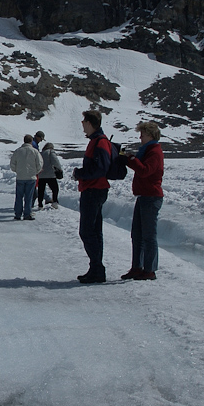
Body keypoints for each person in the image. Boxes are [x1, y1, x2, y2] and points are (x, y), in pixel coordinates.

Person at [72, 110, 113, 283]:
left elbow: (100, 168)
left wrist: (80, 174)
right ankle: (96, 268)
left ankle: (97, 268)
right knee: (94, 231)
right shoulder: (97, 141)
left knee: (87, 231)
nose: (82, 124)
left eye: (84, 121)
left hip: (93, 191)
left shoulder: (100, 142)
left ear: (89, 123)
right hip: (95, 190)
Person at [121, 121, 165, 281]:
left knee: (148, 235)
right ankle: (137, 267)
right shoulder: (147, 151)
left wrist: (131, 159)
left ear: (151, 135)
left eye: (143, 134)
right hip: (144, 196)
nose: (140, 137)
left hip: (151, 197)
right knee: (137, 234)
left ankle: (150, 270)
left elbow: (145, 170)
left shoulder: (155, 152)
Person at [10, 135, 44, 220]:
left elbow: (12, 164)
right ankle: (27, 214)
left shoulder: (18, 151)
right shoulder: (35, 151)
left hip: (20, 177)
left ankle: (18, 214)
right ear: (31, 141)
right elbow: (40, 163)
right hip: (31, 177)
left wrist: (17, 171)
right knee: (29, 197)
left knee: (19, 197)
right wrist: (35, 172)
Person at [37, 142, 63, 209]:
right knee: (55, 189)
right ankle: (54, 202)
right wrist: (59, 169)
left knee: (41, 190)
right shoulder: (51, 152)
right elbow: (55, 161)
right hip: (50, 174)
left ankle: (40, 204)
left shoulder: (40, 153)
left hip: (41, 174)